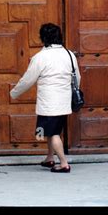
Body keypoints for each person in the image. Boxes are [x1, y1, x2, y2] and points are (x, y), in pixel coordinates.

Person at [10, 22, 81, 173]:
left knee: (53, 133)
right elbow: (77, 78)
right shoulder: (69, 55)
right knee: (52, 130)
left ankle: (63, 163)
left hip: (49, 102)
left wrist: (14, 93)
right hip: (64, 101)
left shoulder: (41, 57)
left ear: (43, 38)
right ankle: (50, 158)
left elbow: (28, 79)